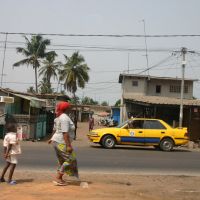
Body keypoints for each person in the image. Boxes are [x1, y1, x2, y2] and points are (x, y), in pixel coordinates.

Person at [48, 101, 79, 186]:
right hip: (61, 142)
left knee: (62, 161)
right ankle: (58, 177)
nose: (70, 108)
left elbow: (55, 130)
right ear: (66, 108)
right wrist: (68, 145)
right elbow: (65, 133)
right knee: (71, 160)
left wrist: (51, 138)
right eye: (69, 107)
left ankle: (60, 179)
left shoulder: (59, 117)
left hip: (57, 141)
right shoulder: (64, 118)